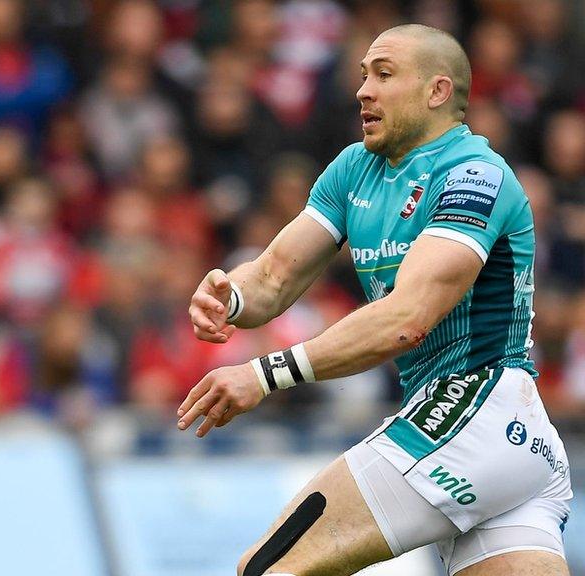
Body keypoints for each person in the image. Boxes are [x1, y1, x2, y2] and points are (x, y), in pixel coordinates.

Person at [177, 24, 572, 576]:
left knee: (268, 569)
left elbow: (406, 320)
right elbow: (272, 276)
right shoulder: (353, 170)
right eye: (363, 74)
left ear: (436, 92)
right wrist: (231, 297)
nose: (363, 89)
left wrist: (264, 374)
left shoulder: (474, 175)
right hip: (504, 443)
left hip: (473, 411)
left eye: (383, 74)